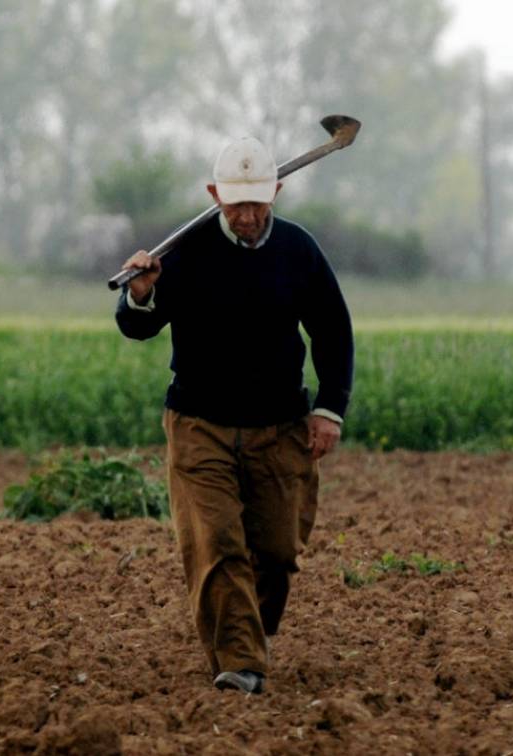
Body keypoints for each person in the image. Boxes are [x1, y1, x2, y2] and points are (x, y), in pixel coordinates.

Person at [114, 135, 354, 694]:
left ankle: (246, 635)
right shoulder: (185, 254)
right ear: (213, 194)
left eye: (258, 203)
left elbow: (333, 333)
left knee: (274, 553)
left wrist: (329, 410)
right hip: (201, 425)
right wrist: (142, 293)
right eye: (235, 204)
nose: (247, 217)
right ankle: (241, 662)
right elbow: (137, 326)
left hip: (279, 427)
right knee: (216, 544)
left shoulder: (299, 252)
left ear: (276, 190)